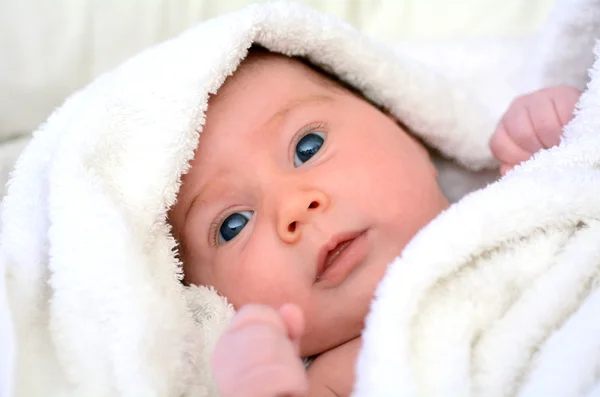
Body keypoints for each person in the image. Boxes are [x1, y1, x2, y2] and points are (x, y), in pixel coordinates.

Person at [167, 46, 581, 397]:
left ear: (406, 131)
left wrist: (566, 130)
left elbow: (581, 187)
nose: (293, 207)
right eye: (233, 225)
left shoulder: (512, 201)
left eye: (308, 147)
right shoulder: (335, 379)